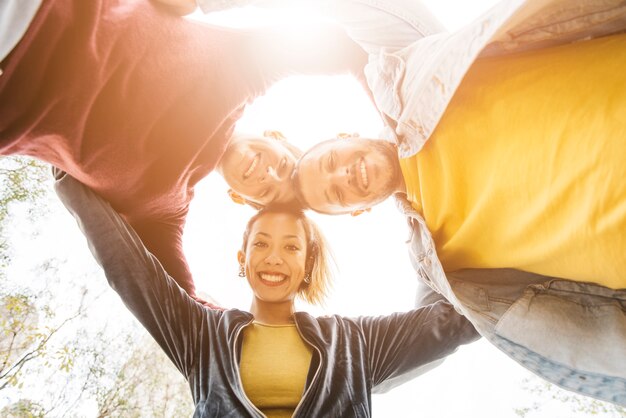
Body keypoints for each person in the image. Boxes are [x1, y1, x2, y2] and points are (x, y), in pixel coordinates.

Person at [292, 0, 626, 406]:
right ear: (356, 211)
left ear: (344, 136)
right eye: (335, 195)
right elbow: (410, 347)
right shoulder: (437, 262)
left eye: (330, 162)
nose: (341, 177)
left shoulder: (409, 76)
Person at [0, 0, 369, 305]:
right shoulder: (244, 66)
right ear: (276, 136)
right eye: (285, 165)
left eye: (269, 192)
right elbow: (350, 46)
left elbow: (185, 310)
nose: (268, 174)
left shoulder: (164, 209)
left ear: (240, 198)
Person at [53, 168, 479, 417]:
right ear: (243, 257)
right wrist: (65, 170)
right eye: (261, 244)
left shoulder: (356, 344)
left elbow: (454, 321)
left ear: (307, 263)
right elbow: (129, 269)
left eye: (291, 246)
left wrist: (416, 206)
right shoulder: (202, 336)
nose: (274, 257)